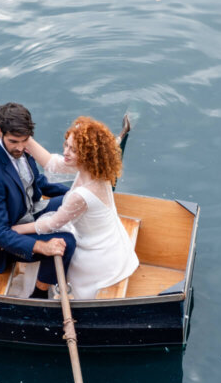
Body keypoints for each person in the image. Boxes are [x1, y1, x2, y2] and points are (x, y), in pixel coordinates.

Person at [12, 116, 139, 299]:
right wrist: (26, 138)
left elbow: (51, 224)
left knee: (52, 238)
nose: (66, 152)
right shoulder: (96, 167)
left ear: (86, 154)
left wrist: (16, 229)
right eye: (66, 145)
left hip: (95, 254)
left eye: (73, 150)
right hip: (109, 237)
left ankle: (40, 291)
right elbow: (52, 163)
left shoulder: (81, 196)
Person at [0, 103, 76, 298]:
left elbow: (39, 182)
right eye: (13, 141)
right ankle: (38, 295)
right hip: (6, 239)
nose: (20, 147)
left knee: (70, 203)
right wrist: (43, 247)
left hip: (30, 211)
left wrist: (77, 193)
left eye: (25, 140)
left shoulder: (23, 149)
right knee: (66, 242)